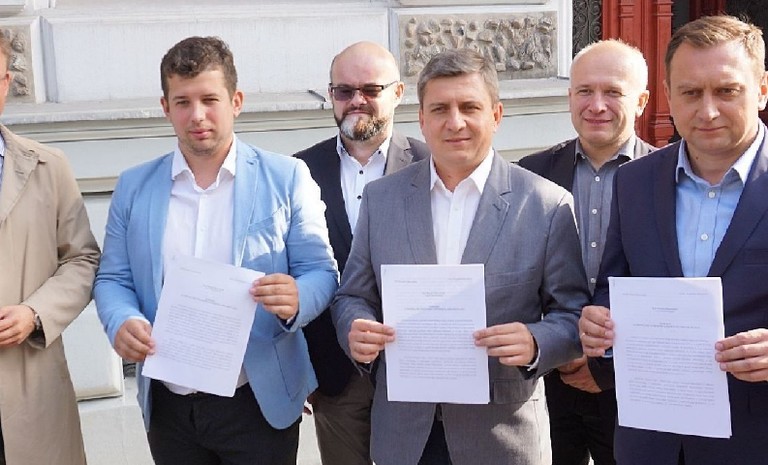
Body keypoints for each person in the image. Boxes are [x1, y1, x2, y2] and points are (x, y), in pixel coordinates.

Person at [331, 48, 590, 465]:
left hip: (501, 438)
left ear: (496, 115)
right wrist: (355, 328)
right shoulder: (381, 199)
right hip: (405, 436)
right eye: (440, 109)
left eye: (469, 107)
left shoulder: (545, 204)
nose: (455, 122)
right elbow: (352, 296)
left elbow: (574, 314)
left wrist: (535, 341)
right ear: (422, 119)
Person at [94, 36, 338, 465]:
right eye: (183, 102)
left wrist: (298, 297)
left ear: (236, 101)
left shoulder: (286, 177)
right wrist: (122, 320)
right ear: (165, 107)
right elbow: (113, 278)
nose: (197, 115)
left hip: (257, 398)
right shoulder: (134, 186)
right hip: (169, 402)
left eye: (210, 99)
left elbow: (321, 271)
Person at [579, 15, 768, 465]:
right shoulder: (634, 181)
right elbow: (616, 285)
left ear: (762, 90)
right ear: (667, 94)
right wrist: (599, 324)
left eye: (727, 91)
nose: (708, 111)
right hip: (650, 441)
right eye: (690, 93)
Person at [518, 39, 655, 465]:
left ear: (641, 101)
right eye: (584, 91)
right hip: (547, 379)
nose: (596, 105)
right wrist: (559, 351)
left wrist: (605, 367)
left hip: (633, 384)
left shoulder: (666, 179)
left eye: (613, 92)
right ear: (569, 97)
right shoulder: (530, 174)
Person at [294, 41, 429, 465]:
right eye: (344, 90)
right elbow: (288, 269)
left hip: (416, 367)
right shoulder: (299, 171)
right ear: (330, 95)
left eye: (371, 89)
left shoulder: (431, 164)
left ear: (398, 93)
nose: (357, 100)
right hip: (333, 376)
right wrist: (298, 368)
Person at [0, 34, 101, 464]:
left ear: (6, 83)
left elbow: (83, 258)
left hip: (30, 388)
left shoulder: (48, 165)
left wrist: (35, 313)